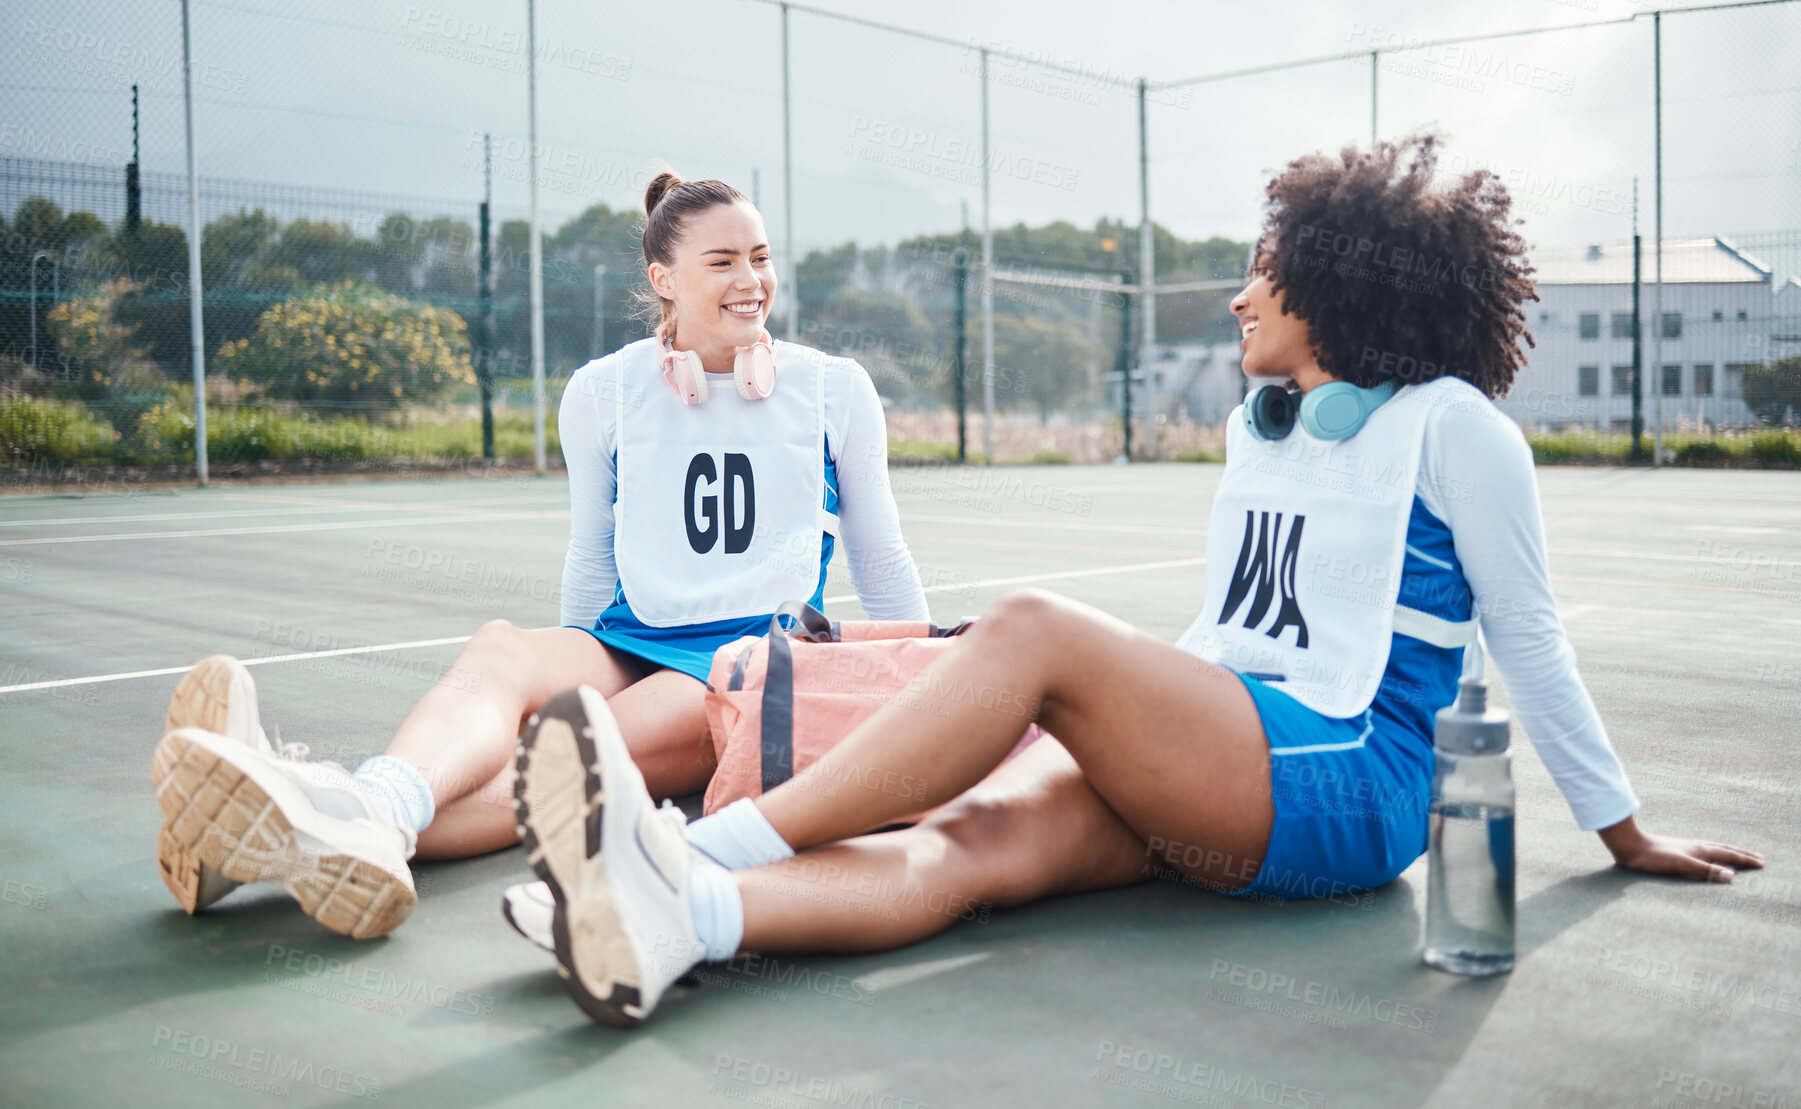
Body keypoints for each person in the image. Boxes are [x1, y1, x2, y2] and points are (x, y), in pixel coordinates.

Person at [511, 134, 1766, 1027]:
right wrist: (1134, 714)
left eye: (1261, 268)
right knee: (973, 839)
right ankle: (687, 919)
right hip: (1229, 748)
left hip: (1350, 775)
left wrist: (1621, 830)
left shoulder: (1455, 431)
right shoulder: (1266, 422)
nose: (1237, 292)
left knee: (1037, 631)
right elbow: (1228, 630)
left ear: (1337, 280)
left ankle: (685, 850)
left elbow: (1530, 639)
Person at [150, 172, 929, 940]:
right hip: (628, 638)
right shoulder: (603, 391)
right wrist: (569, 669)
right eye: (722, 262)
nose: (750, 280)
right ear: (663, 278)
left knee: (557, 754)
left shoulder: (835, 390)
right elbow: (590, 553)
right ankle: (357, 813)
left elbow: (879, 555)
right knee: (502, 648)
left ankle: (295, 811)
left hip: (741, 665)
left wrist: (925, 689)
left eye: (759, 257)